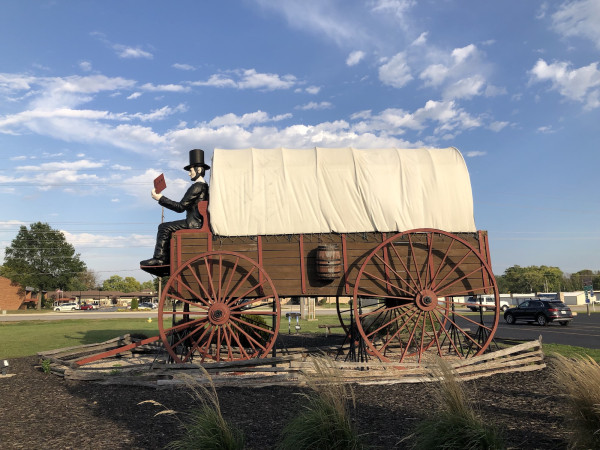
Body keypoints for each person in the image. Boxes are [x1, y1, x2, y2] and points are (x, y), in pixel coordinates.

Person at [140, 149, 210, 267]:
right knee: (166, 227)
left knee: (163, 227)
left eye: (190, 170)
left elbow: (180, 207)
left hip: (193, 223)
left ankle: (160, 259)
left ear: (198, 170)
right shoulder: (205, 186)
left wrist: (160, 198)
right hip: (198, 222)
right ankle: (166, 258)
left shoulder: (197, 186)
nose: (189, 173)